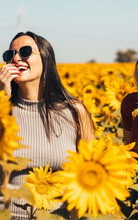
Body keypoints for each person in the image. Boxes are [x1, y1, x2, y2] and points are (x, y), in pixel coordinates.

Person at [0, 31, 94, 219]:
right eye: (10, 55)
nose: (17, 58)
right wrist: (3, 99)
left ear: (46, 59)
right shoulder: (4, 109)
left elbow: (92, 168)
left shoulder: (74, 112)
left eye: (25, 52)